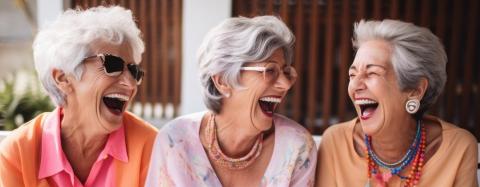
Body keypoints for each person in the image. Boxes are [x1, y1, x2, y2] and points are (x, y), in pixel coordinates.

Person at [145, 16, 317, 186]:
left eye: (286, 72)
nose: (286, 84)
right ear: (222, 81)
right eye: (270, 70)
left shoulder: (296, 148)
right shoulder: (175, 142)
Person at [0, 6, 158, 187]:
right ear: (63, 78)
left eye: (134, 71)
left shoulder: (150, 146)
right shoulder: (18, 153)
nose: (131, 84)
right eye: (113, 65)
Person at [315, 19, 478, 187]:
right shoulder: (336, 142)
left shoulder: (458, 148)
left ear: (415, 90)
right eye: (352, 75)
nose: (355, 86)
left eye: (372, 73)